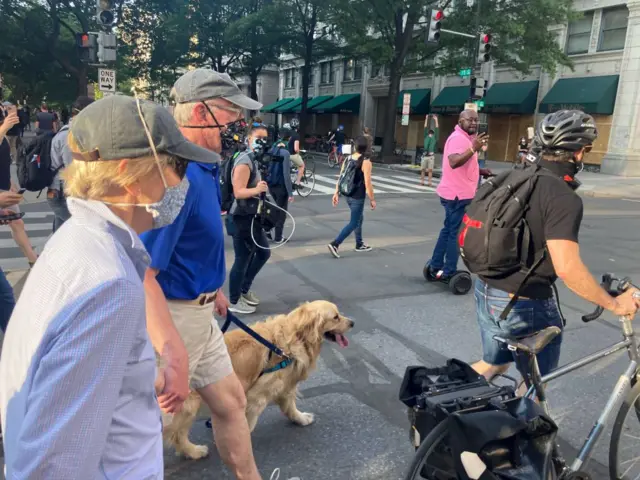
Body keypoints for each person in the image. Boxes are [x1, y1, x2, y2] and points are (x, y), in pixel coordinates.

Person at [0, 94, 211, 478]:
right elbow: (52, 465)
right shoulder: (108, 284)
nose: (184, 183)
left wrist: (143, 374)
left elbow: (69, 377)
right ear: (133, 177)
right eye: (177, 166)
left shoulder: (77, 243)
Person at [143, 68, 266, 480]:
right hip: (174, 319)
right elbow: (144, 272)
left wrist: (213, 288)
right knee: (145, 429)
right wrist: (170, 346)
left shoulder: (203, 167)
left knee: (231, 402)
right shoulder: (177, 178)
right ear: (198, 111)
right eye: (230, 114)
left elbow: (193, 243)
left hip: (198, 313)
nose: (238, 126)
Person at [471, 110, 640, 380]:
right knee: (535, 386)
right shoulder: (562, 197)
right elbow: (568, 269)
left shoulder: (518, 176)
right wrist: (615, 305)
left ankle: (445, 399)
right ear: (579, 152)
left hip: (487, 289)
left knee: (493, 364)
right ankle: (521, 422)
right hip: (525, 304)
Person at [425, 109, 492, 282]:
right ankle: (448, 271)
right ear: (460, 121)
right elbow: (454, 162)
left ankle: (435, 265)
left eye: (476, 120)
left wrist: (480, 170)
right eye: (470, 120)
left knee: (448, 230)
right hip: (457, 195)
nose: (474, 123)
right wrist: (473, 149)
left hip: (456, 193)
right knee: (454, 233)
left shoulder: (467, 139)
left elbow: (464, 164)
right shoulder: (458, 139)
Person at [227, 122, 271, 315]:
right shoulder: (244, 160)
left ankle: (243, 290)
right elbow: (238, 191)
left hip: (252, 215)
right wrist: (257, 189)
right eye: (258, 138)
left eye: (265, 139)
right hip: (241, 216)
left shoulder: (254, 159)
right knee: (242, 258)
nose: (262, 142)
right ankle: (235, 299)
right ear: (249, 139)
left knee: (262, 253)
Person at [48, 96, 95, 232]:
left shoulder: (73, 132)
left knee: (61, 231)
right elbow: (72, 168)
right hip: (64, 192)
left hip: (61, 191)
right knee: (82, 229)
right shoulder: (69, 135)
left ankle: (53, 252)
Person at [0, 107, 39, 268]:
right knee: (16, 223)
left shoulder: (4, 137)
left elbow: (3, 162)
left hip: (4, 187)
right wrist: (4, 128)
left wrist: (10, 182)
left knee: (17, 223)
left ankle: (32, 259)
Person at [328, 135, 375, 258]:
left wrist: (336, 192)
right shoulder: (366, 162)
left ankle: (359, 244)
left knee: (359, 218)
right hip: (357, 197)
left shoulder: (348, 158)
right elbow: (368, 183)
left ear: (355, 147)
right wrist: (372, 199)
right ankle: (335, 244)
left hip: (347, 194)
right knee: (354, 222)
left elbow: (341, 176)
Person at [267, 129, 293, 244]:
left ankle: (266, 229)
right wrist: (290, 192)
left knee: (275, 209)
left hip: (271, 184)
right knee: (281, 212)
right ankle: (278, 237)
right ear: (289, 139)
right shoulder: (285, 153)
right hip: (281, 186)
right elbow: (286, 174)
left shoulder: (272, 150)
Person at [421, 114, 439, 187]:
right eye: (430, 132)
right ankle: (422, 181)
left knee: (430, 170)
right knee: (423, 169)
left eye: (432, 132)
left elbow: (437, 129)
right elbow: (425, 128)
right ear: (428, 133)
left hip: (431, 156)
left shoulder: (435, 138)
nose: (430, 133)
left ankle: (429, 182)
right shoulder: (426, 137)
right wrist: (426, 119)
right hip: (425, 155)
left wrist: (436, 120)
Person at [286, 118, 305, 186]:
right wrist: (299, 151)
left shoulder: (287, 133)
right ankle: (298, 182)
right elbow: (296, 149)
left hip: (284, 153)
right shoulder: (296, 135)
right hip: (291, 154)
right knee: (302, 166)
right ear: (298, 126)